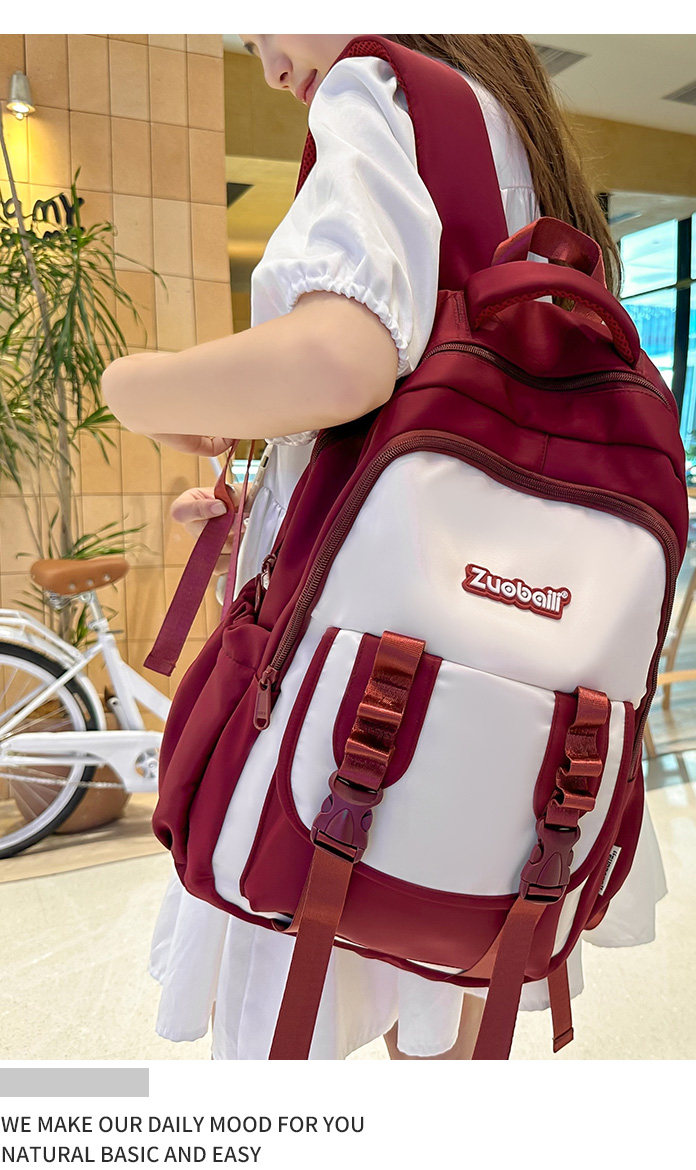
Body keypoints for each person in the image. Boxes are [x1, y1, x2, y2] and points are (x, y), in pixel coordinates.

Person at [102, 34, 665, 1060]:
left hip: (355, 719)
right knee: (449, 1014)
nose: (271, 66)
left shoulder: (373, 87)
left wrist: (134, 385)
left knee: (297, 1016)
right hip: (523, 743)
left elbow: (341, 361)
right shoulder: (520, 127)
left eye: (265, 26)